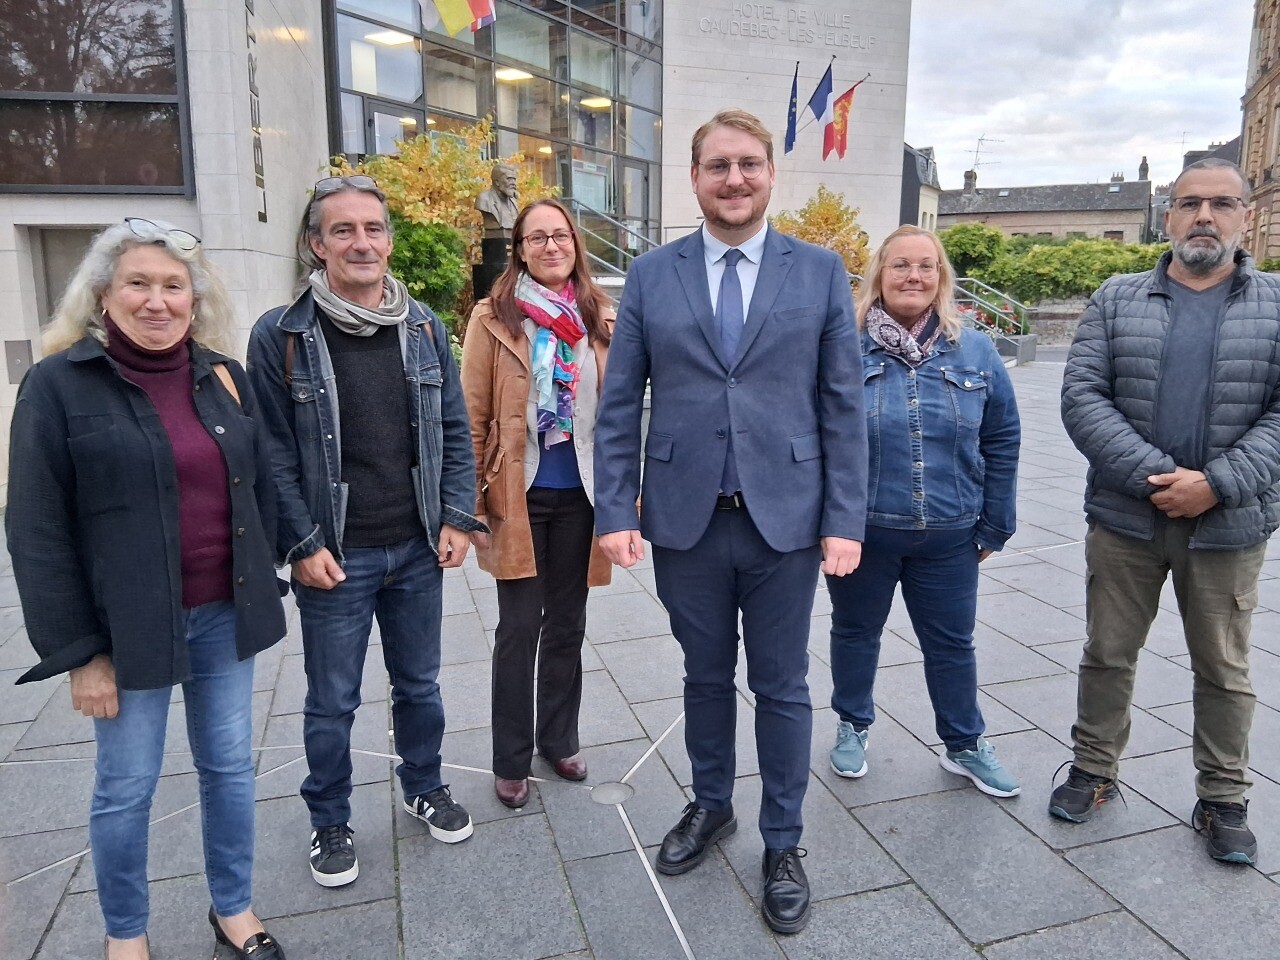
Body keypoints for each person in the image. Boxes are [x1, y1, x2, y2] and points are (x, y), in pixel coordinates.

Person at [593, 108, 867, 935]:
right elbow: (619, 403)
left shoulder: (820, 271)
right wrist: (615, 506)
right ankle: (712, 806)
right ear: (695, 177)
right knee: (704, 678)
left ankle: (783, 841)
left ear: (770, 174)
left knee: (782, 686)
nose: (735, 178)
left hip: (787, 520)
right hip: (685, 520)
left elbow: (842, 403)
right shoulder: (650, 274)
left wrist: (845, 518)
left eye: (749, 164)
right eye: (719, 166)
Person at [6, 218, 287, 960]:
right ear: (103, 293)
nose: (157, 300)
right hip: (126, 630)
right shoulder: (58, 384)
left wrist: (300, 552)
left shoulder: (223, 375)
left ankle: (233, 908)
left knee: (228, 768)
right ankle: (125, 935)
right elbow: (36, 530)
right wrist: (78, 654)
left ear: (194, 299)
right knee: (126, 787)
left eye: (173, 285)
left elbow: (255, 486)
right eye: (138, 282)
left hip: (224, 615)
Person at [246, 175, 485, 888]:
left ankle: (424, 784)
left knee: (420, 685)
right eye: (342, 230)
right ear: (316, 245)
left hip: (415, 545)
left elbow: (453, 429)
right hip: (334, 555)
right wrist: (301, 544)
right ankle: (330, 819)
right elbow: (272, 454)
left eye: (373, 228)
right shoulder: (282, 334)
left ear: (388, 238)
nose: (361, 242)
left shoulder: (421, 327)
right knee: (332, 700)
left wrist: (456, 516)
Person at [1055, 158, 1280, 865]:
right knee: (1108, 653)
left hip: (1227, 523)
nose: (1204, 217)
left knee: (1224, 666)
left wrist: (1215, 484)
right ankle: (1093, 770)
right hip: (1127, 520)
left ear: (1245, 215)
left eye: (1221, 204)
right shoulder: (1118, 297)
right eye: (1189, 204)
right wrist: (1161, 479)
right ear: (1168, 214)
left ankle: (1223, 796)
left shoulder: (1276, 304)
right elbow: (1083, 397)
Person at [825, 225, 1021, 797]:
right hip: (865, 530)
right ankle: (852, 723)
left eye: (926, 267)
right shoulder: (844, 347)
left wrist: (996, 521)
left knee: (952, 643)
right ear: (878, 276)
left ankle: (964, 743)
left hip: (951, 534)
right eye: (900, 265)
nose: (914, 276)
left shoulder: (976, 350)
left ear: (941, 278)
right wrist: (828, 522)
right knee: (856, 632)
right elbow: (821, 436)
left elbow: (1002, 438)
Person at [460, 199, 615, 808]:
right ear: (519, 249)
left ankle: (558, 738)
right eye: (537, 237)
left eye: (561, 236)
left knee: (568, 626)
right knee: (519, 628)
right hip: (514, 496)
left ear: (574, 244)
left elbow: (619, 414)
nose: (551, 246)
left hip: (582, 493)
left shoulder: (601, 316)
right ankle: (509, 756)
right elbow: (472, 413)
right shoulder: (492, 317)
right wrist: (467, 502)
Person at [475, 163, 520, 237]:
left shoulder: (514, 202)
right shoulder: (484, 199)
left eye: (514, 179)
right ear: (497, 182)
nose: (513, 183)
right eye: (509, 179)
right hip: (495, 242)